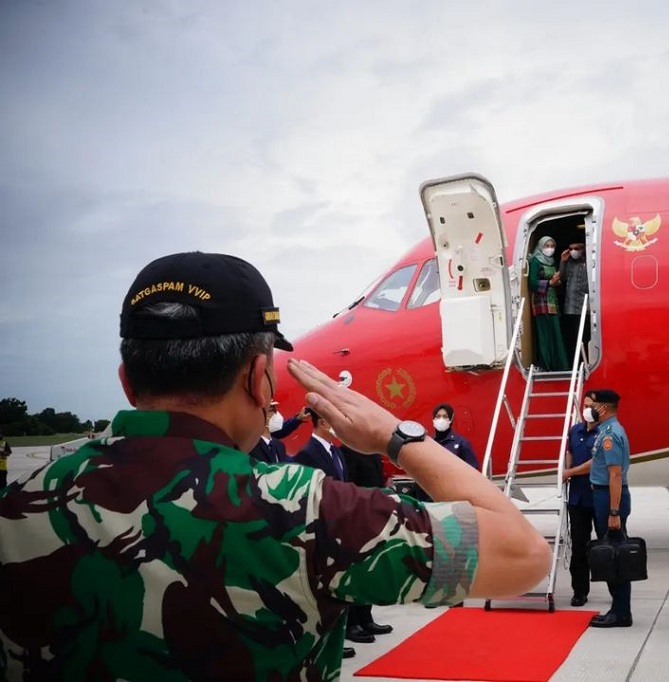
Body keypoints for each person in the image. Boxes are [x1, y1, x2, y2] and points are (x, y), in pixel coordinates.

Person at [0, 251, 550, 680]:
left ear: (126, 380)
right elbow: (522, 554)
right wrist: (395, 435)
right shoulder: (306, 509)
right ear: (256, 377)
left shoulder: (16, 504)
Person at [587, 389, 633, 628]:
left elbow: (614, 474)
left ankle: (621, 612)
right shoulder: (606, 430)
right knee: (611, 553)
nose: (586, 409)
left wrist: (613, 513)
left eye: (590, 404)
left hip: (609, 497)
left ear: (602, 408)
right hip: (604, 496)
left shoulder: (610, 434)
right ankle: (618, 608)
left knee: (615, 555)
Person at [340, 442, 394, 643]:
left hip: (374, 515)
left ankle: (366, 616)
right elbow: (350, 486)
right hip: (357, 518)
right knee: (357, 571)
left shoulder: (370, 450)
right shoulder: (347, 451)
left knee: (371, 568)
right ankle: (352, 622)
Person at [560, 390, 599, 607]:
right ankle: (580, 591)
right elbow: (569, 452)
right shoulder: (575, 430)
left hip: (599, 497)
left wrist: (570, 472)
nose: (586, 408)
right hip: (577, 498)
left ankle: (616, 589)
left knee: (606, 544)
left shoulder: (605, 432)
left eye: (590, 405)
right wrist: (568, 468)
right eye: (584, 404)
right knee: (579, 546)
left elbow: (596, 462)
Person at [528, 236, 569, 372]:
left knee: (556, 332)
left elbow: (556, 277)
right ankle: (546, 365)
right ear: (541, 246)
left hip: (552, 301)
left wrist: (557, 280)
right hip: (541, 302)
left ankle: (559, 365)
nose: (550, 248)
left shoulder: (551, 261)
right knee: (546, 334)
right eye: (547, 245)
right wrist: (549, 283)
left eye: (552, 245)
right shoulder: (535, 261)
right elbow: (532, 282)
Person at [558, 242, 590, 364]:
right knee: (571, 337)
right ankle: (572, 363)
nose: (573, 251)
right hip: (569, 306)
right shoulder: (570, 263)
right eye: (570, 249)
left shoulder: (589, 263)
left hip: (585, 307)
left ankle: (584, 361)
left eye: (576, 249)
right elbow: (562, 277)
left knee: (584, 337)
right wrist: (563, 261)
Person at [296, 409, 348, 483]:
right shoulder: (306, 453)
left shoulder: (337, 451)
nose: (340, 425)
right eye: (336, 420)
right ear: (322, 423)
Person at [432, 403, 479, 469]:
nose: (441, 420)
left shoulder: (461, 443)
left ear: (451, 419)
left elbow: (473, 470)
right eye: (438, 416)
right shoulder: (430, 443)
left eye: (445, 416)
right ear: (433, 419)